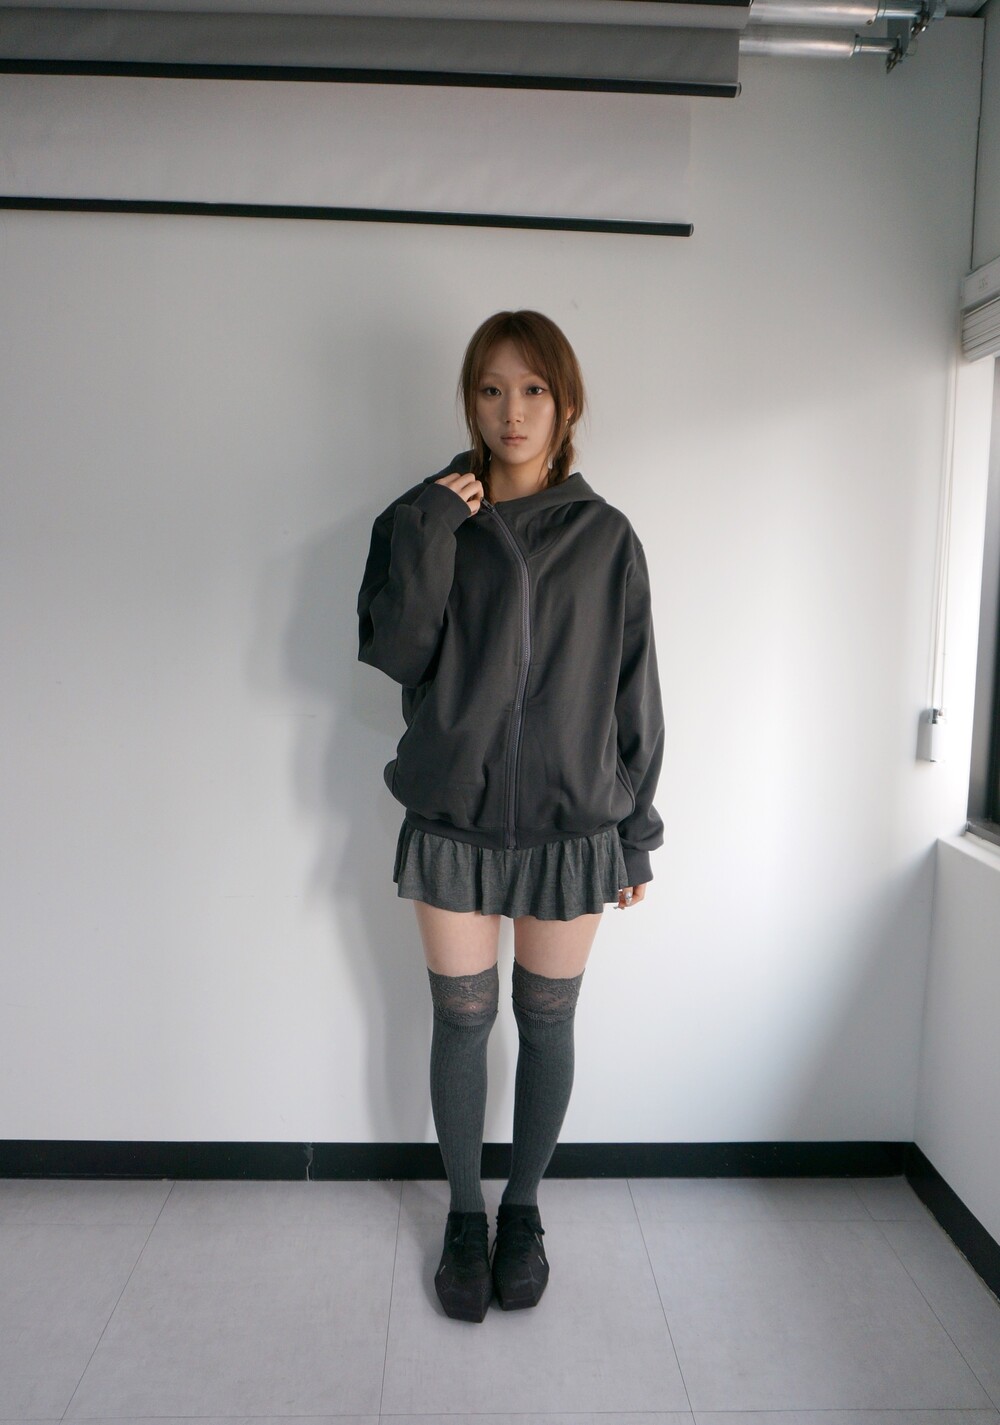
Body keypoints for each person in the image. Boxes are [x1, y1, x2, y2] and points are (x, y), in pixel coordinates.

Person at [357, 309, 664, 1322]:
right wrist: (427, 527)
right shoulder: (429, 517)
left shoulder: (606, 536)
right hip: (455, 814)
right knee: (461, 1019)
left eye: (533, 389)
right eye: (491, 389)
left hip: (573, 825)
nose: (512, 411)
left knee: (547, 1021)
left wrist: (636, 832)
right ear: (470, 402)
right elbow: (396, 652)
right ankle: (463, 1215)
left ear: (565, 403)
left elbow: (634, 692)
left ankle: (522, 1210)